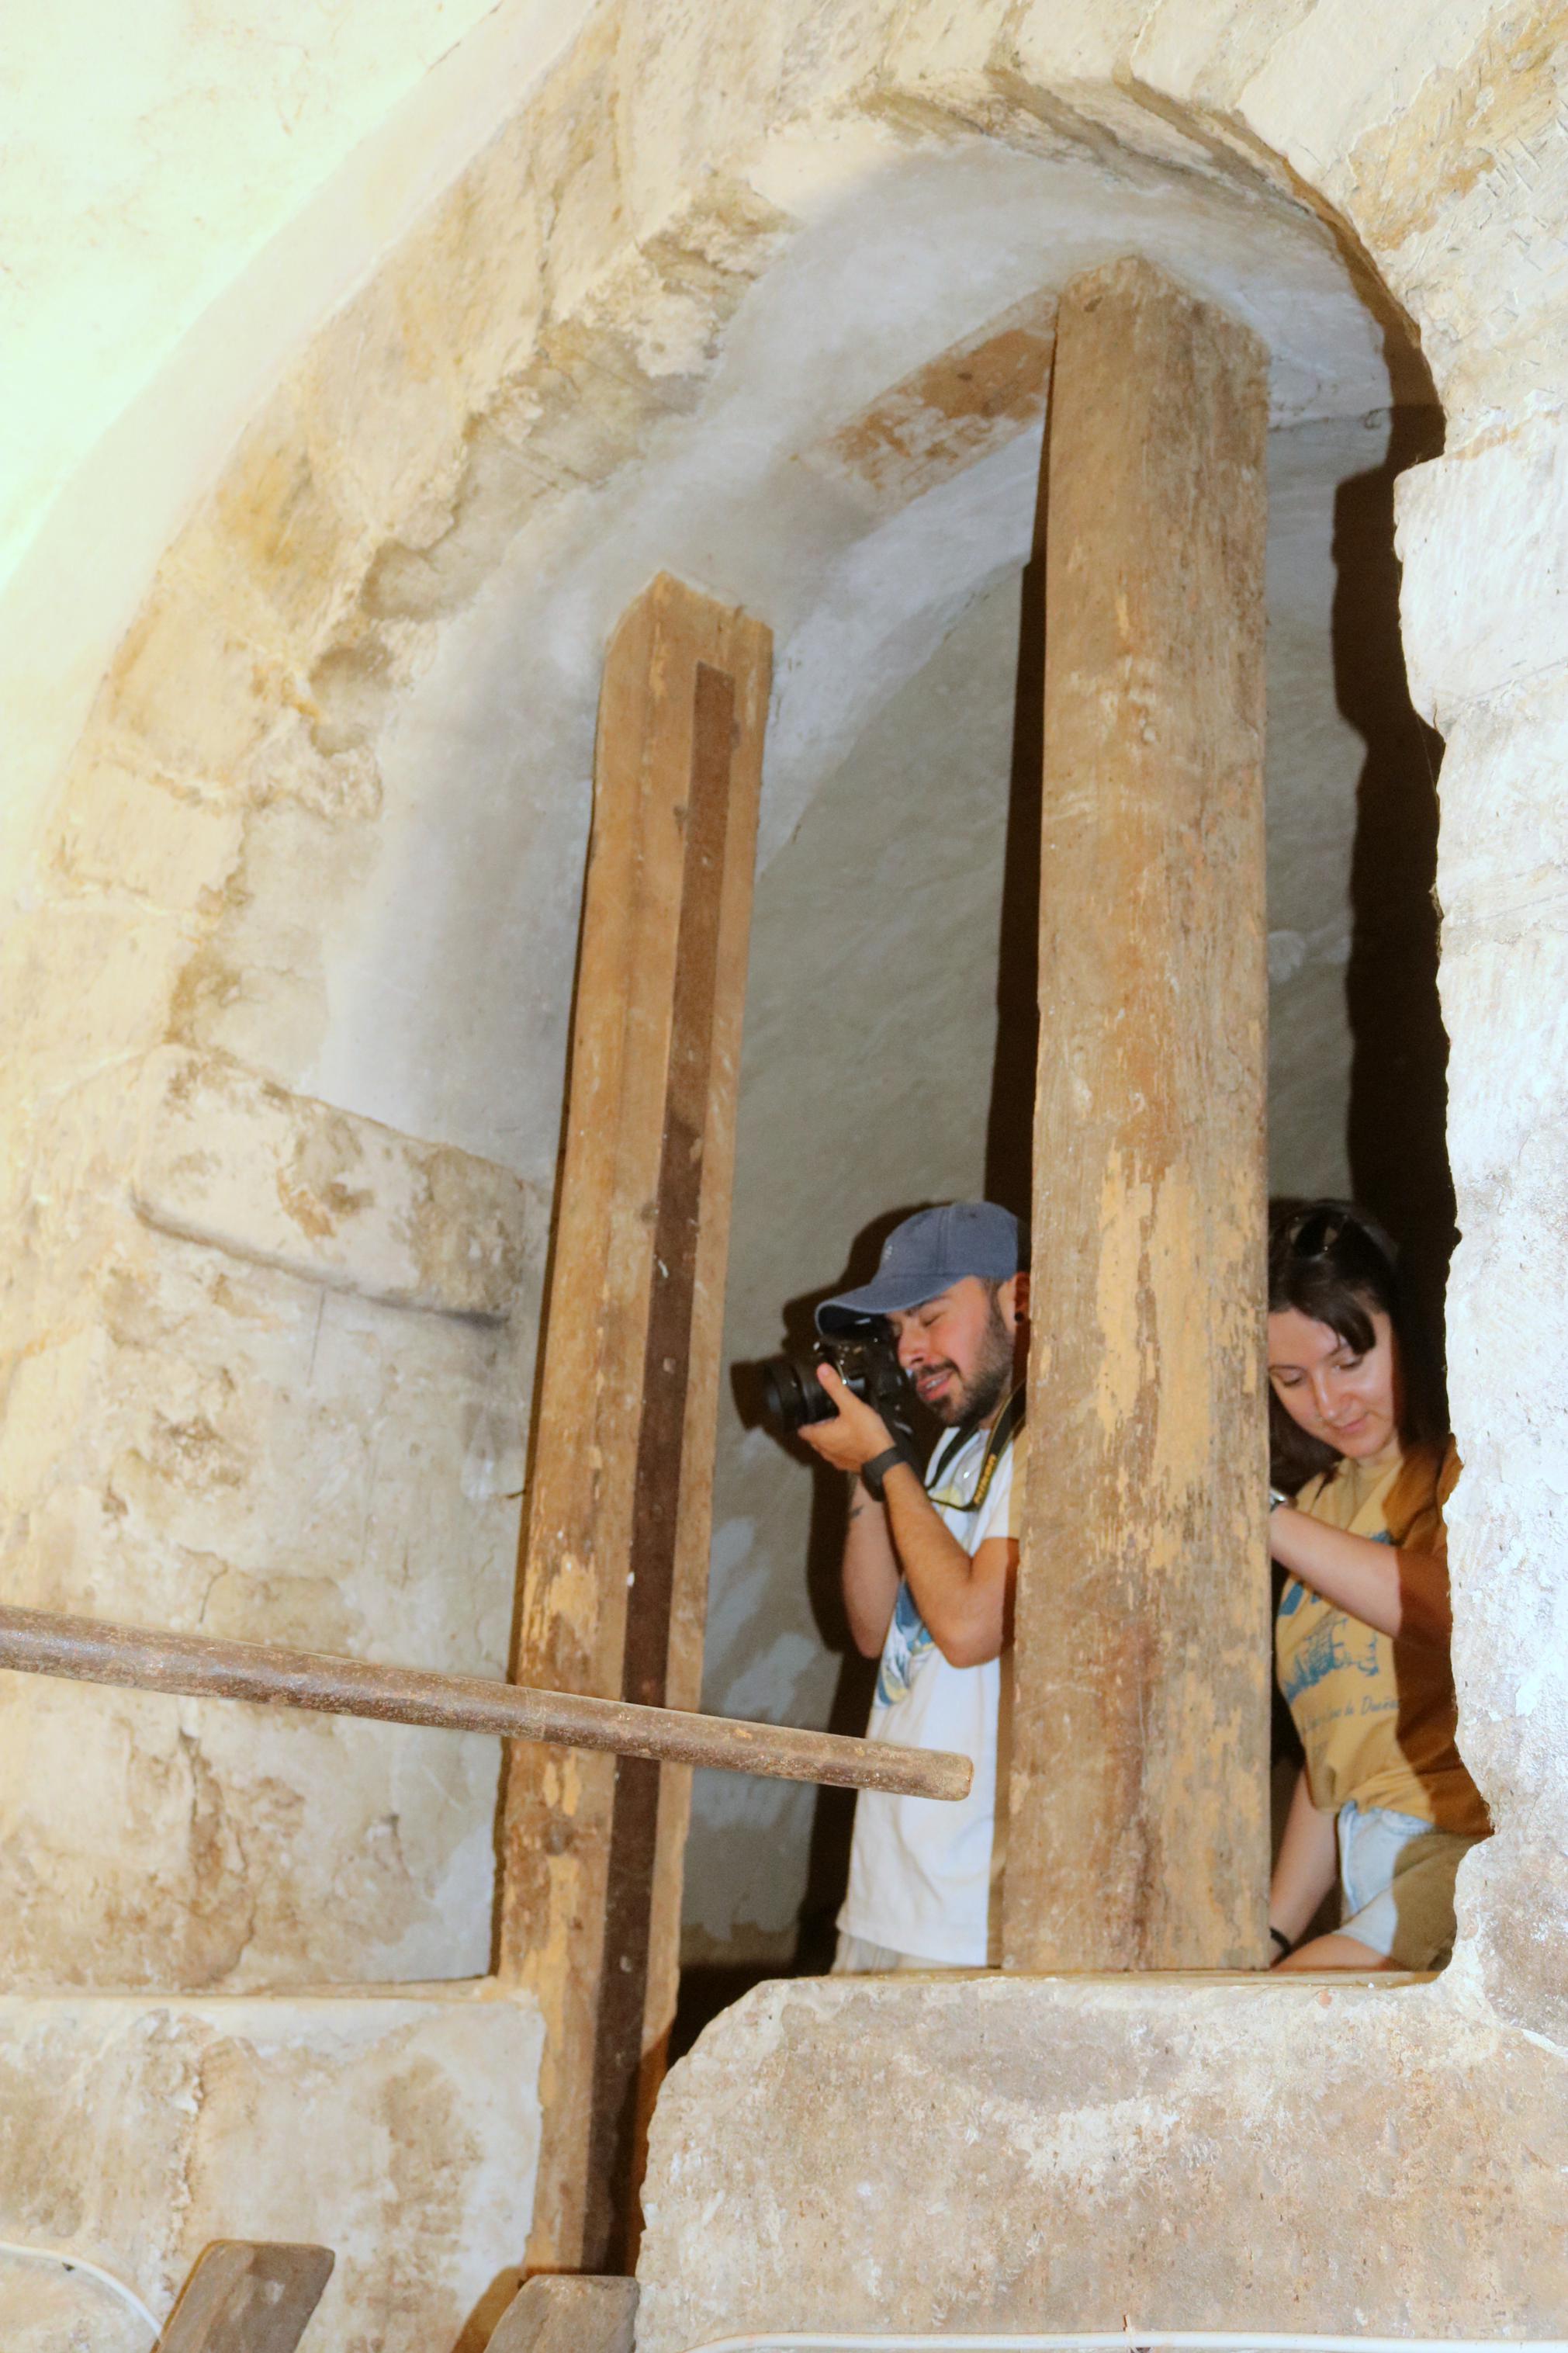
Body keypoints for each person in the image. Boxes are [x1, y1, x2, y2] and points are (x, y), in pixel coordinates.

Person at [797, 1201, 1028, 1972]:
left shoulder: (1049, 1441)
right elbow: (872, 1630)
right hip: (887, 1887)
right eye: (898, 1332)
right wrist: (870, 1467)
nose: (911, 1351)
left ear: (1016, 1299)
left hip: (968, 1909)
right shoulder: (957, 1449)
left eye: (930, 1317)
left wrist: (888, 1465)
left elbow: (968, 1629)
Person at [1265, 1197, 1490, 1972]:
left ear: (1406, 1330)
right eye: (1289, 1377)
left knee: (1275, 2030)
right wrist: (1268, 1932)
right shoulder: (1313, 1506)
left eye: (1347, 1362)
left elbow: (1449, 1607)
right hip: (1365, 1857)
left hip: (1457, 1841)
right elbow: (1332, 1753)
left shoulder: (1465, 1466)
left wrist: (1253, 1515)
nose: (1326, 1403)